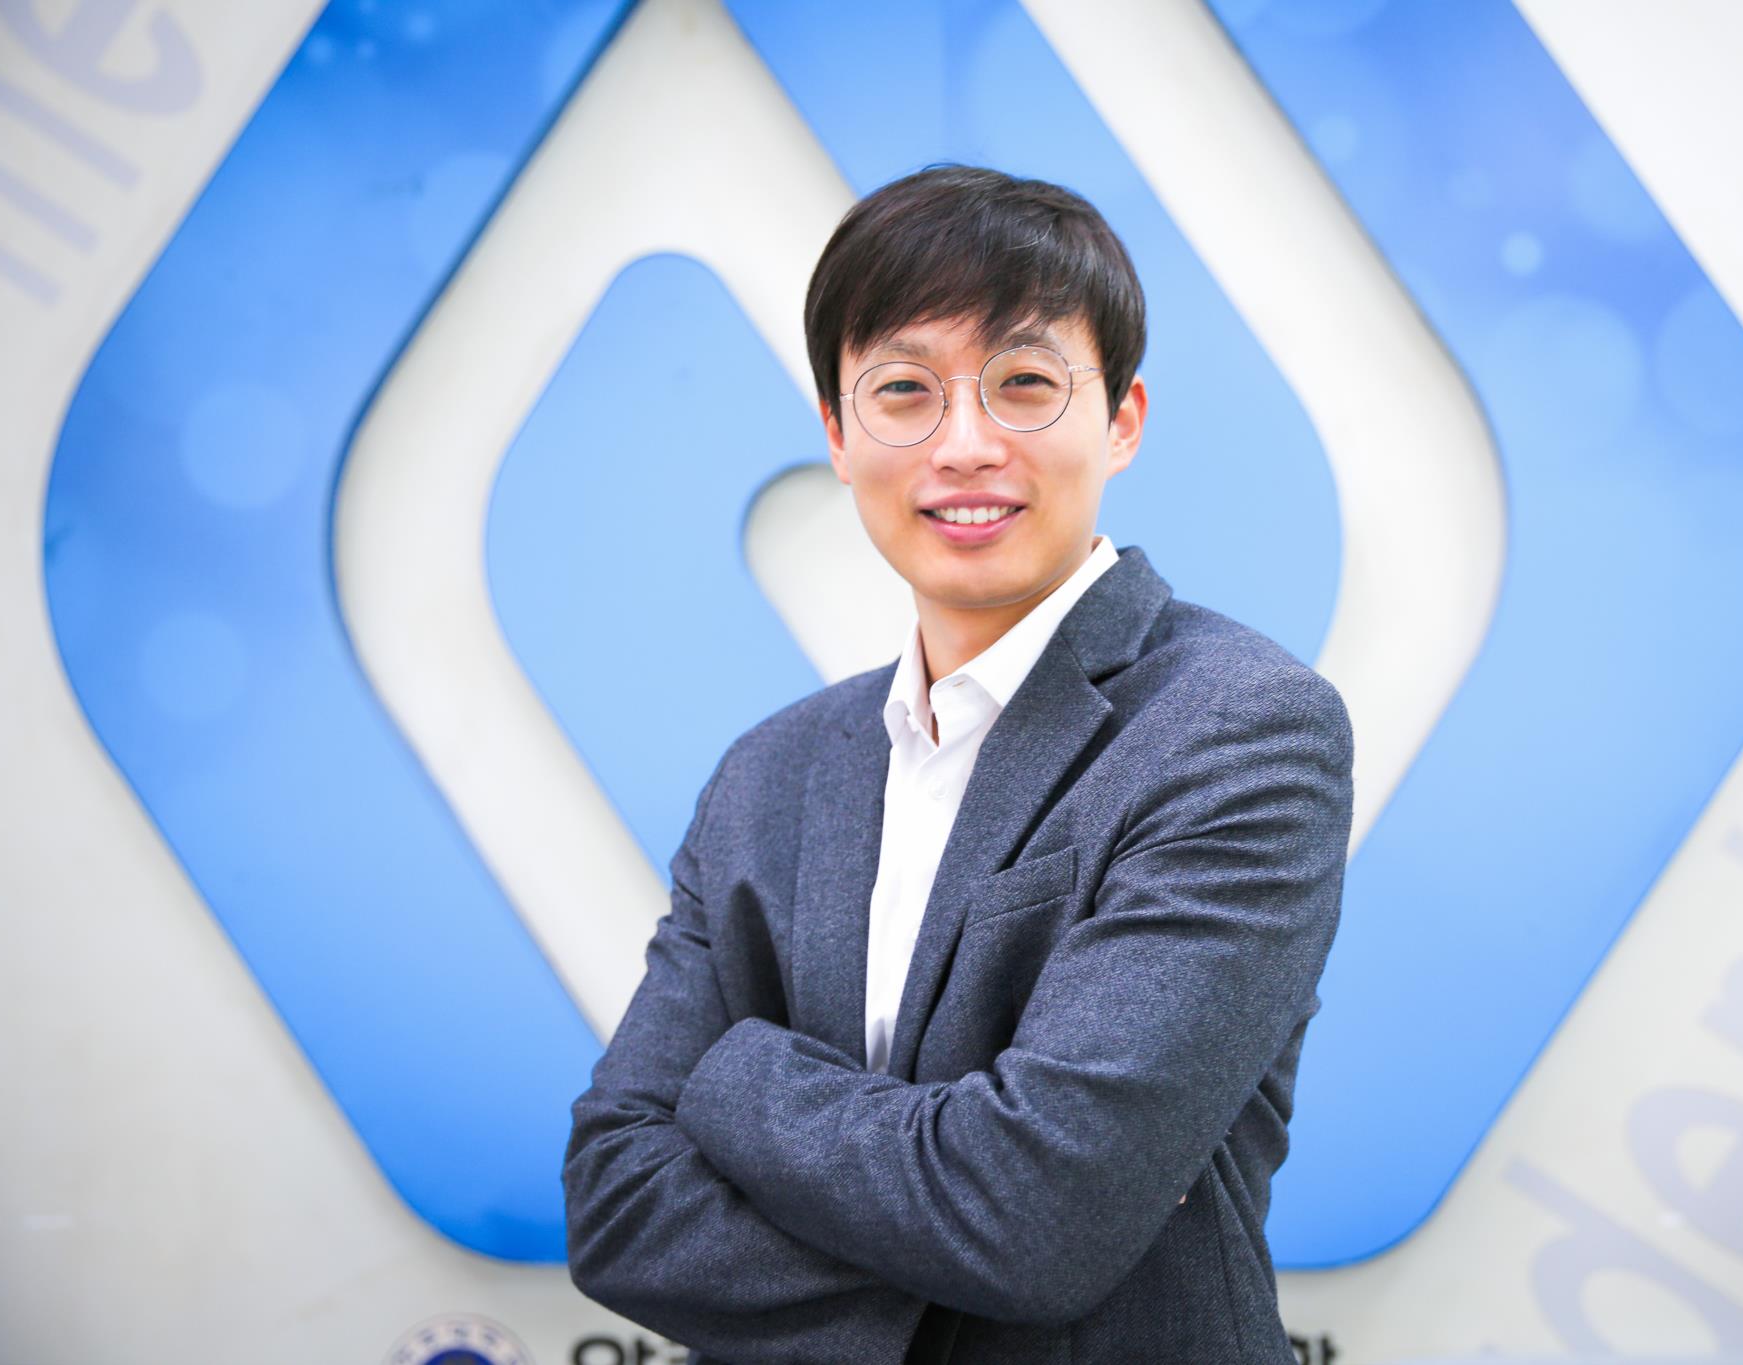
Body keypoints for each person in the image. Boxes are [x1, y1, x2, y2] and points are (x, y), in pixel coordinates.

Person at [563, 164, 1354, 1364]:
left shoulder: (1238, 730)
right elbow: (618, 1200)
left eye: (1024, 384)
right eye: (904, 392)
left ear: (1122, 420)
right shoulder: (767, 774)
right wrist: (955, 1228)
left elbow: (1033, 1217)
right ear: (836, 436)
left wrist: (736, 1076)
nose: (966, 446)